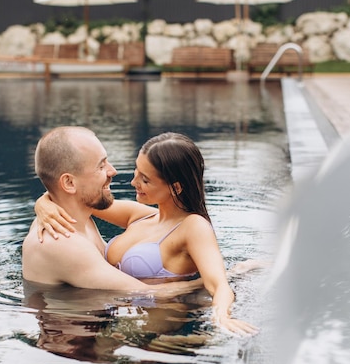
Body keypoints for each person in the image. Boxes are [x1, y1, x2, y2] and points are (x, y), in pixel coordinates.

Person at [34, 132, 259, 336]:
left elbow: (219, 285)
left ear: (176, 187)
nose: (133, 182)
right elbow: (79, 197)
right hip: (119, 318)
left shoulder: (193, 227)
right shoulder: (139, 215)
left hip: (160, 330)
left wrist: (222, 316)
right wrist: (42, 203)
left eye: (145, 179)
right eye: (136, 171)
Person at [22, 126, 202, 297]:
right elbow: (145, 292)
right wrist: (214, 281)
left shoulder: (78, 216)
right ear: (69, 183)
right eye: (101, 166)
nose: (113, 171)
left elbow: (57, 189)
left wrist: (43, 201)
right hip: (81, 324)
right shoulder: (62, 243)